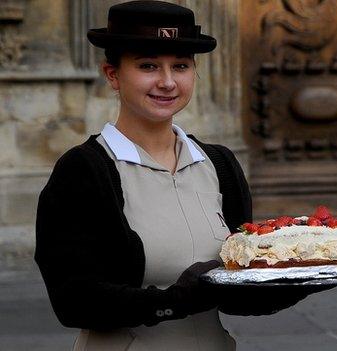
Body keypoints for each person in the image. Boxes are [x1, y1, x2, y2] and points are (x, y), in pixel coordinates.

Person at [35, 1, 319, 350]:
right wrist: (175, 300)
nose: (167, 82)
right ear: (113, 74)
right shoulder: (84, 170)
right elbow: (74, 301)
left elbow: (238, 296)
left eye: (180, 66)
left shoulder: (219, 164)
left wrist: (309, 274)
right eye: (148, 65)